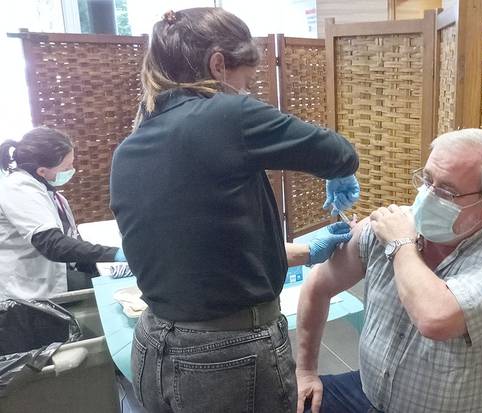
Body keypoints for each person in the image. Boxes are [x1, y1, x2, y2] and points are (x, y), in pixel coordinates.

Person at [109, 8, 359, 413]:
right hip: (224, 359)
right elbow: (339, 153)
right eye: (246, 81)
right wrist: (340, 172)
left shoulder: (132, 144)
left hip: (152, 346)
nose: (245, 91)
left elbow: (205, 248)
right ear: (218, 65)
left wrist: (303, 251)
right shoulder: (226, 115)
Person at [296, 129, 482, 413]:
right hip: (370, 396)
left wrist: (401, 244)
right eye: (427, 180)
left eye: (446, 191)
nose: (427, 196)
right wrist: (306, 371)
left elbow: (435, 318)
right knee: (291, 401)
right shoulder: (390, 227)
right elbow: (318, 286)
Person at [0, 127, 126, 299]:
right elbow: (53, 245)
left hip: (50, 274)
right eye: (67, 167)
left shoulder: (45, 190)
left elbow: (68, 237)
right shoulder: (18, 189)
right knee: (113, 292)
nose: (72, 170)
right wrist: (115, 254)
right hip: (27, 287)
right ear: (42, 171)